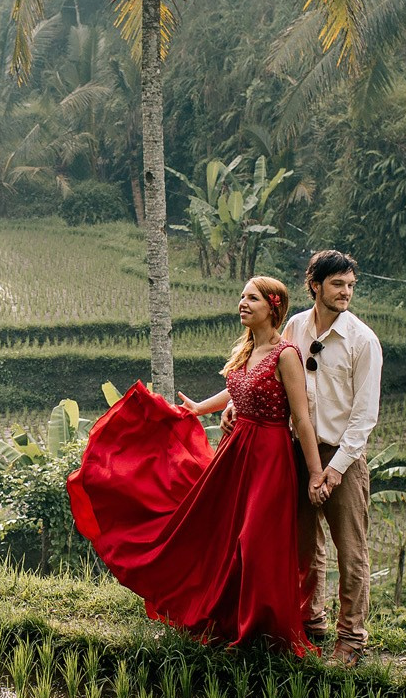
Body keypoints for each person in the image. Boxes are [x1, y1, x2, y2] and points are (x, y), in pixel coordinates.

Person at [66, 276, 326, 655]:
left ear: (273, 307)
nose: (242, 303)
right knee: (221, 534)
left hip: (270, 455)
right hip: (236, 451)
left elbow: (301, 419)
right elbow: (239, 387)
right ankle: (231, 619)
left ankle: (262, 630)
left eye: (251, 298)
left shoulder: (286, 354)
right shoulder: (247, 350)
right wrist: (200, 408)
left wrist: (316, 472)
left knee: (255, 541)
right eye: (241, 297)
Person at [284, 249, 383, 665]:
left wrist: (335, 470)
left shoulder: (363, 341)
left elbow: (365, 416)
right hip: (299, 449)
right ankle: (312, 621)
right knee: (305, 544)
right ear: (315, 285)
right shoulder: (294, 327)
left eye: (350, 286)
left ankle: (352, 638)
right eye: (338, 284)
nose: (346, 292)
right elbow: (277, 378)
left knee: (351, 550)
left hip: (344, 455)